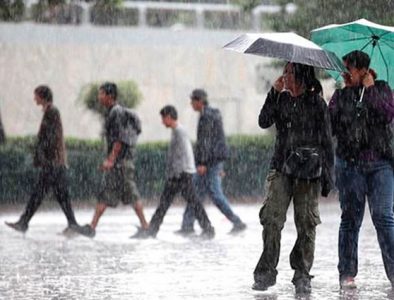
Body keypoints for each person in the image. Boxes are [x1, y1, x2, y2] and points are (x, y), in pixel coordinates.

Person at [252, 63, 334, 294]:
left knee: (307, 223)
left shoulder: (317, 104)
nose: (284, 76)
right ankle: (266, 271)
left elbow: (327, 141)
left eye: (288, 72)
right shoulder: (281, 99)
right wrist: (273, 93)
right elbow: (264, 121)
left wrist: (328, 176)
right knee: (271, 218)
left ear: (300, 76)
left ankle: (302, 273)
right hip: (282, 168)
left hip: (309, 173)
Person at [329, 50, 394, 289]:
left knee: (384, 217)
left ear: (363, 70)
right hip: (350, 164)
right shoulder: (342, 94)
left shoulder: (383, 89)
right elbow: (331, 126)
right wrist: (343, 92)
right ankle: (347, 273)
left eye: (350, 69)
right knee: (350, 219)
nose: (346, 73)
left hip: (381, 164)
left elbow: (388, 114)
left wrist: (372, 90)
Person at [5, 85, 91, 236]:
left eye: (36, 95)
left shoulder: (52, 111)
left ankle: (24, 222)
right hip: (54, 162)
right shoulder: (50, 111)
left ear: (42, 96)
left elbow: (50, 137)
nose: (34, 99)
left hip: (52, 163)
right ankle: (72, 224)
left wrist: (44, 156)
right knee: (60, 195)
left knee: (39, 193)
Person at [135, 105, 215, 238]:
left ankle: (208, 228)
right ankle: (153, 229)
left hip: (181, 175)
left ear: (169, 117)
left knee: (181, 203)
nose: (162, 122)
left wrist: (175, 174)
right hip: (179, 174)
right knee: (173, 203)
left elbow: (180, 156)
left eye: (163, 118)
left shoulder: (179, 131)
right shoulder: (177, 131)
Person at [178, 89, 246, 234]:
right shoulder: (209, 114)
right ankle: (187, 225)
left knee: (214, 194)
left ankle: (237, 222)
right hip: (213, 161)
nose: (191, 104)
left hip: (209, 163)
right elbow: (214, 140)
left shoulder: (207, 116)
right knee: (196, 193)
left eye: (193, 101)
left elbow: (206, 141)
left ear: (200, 101)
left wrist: (203, 163)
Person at [87, 82, 149, 237]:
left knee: (131, 195)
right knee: (108, 194)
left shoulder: (116, 113)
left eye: (101, 93)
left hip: (121, 164)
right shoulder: (113, 112)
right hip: (120, 163)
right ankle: (92, 227)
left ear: (109, 96)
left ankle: (146, 227)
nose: (99, 97)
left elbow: (119, 140)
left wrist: (111, 160)